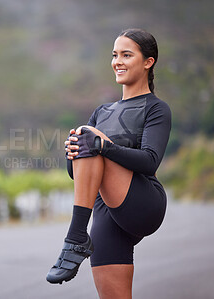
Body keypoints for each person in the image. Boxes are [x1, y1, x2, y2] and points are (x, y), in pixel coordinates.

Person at [46, 28, 171, 299]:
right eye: (115, 55)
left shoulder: (156, 108)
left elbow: (150, 161)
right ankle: (78, 237)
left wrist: (103, 146)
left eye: (127, 55)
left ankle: (76, 237)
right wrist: (73, 153)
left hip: (142, 202)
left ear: (148, 62)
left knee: (89, 135)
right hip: (106, 210)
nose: (118, 62)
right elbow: (78, 174)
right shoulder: (101, 112)